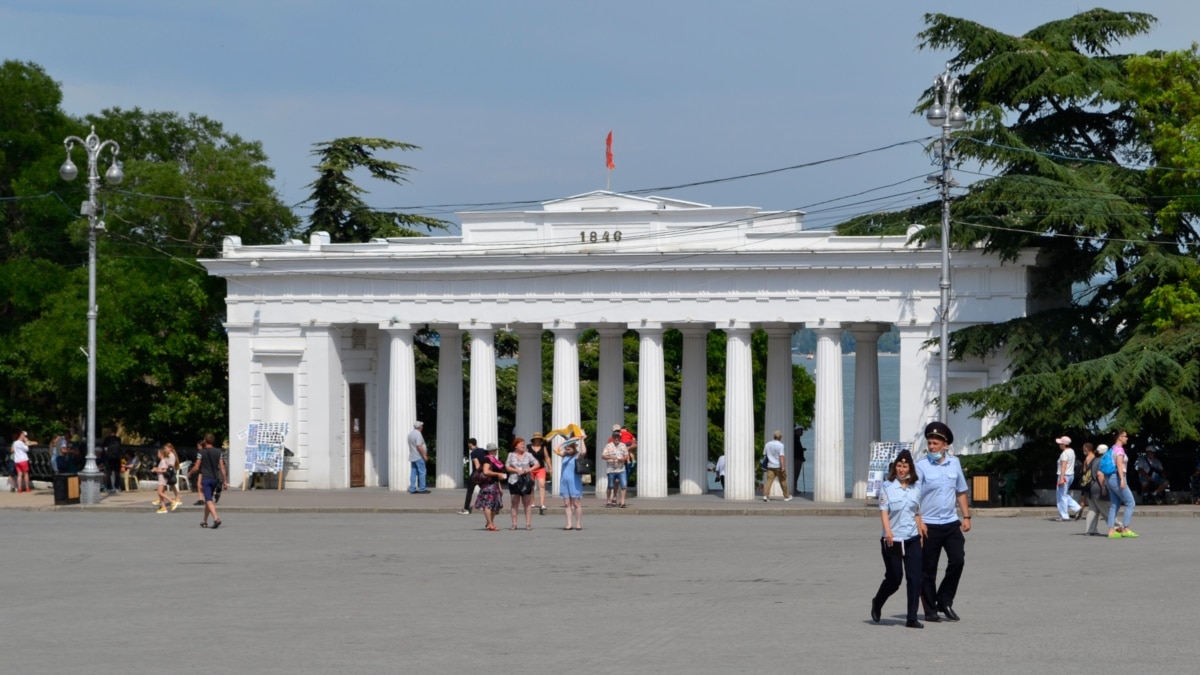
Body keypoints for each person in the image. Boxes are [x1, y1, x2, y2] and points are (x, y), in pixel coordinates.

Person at [915, 421, 970, 623]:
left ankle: (944, 600)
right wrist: (918, 522)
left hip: (950, 522)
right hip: (928, 524)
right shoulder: (920, 466)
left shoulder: (954, 463)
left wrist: (966, 516)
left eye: (935, 443)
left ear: (945, 445)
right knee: (928, 569)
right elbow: (913, 497)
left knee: (958, 560)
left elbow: (960, 490)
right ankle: (930, 610)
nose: (931, 447)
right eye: (929, 443)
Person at [872, 449, 924, 628]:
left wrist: (921, 526)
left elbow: (915, 511)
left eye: (905, 466)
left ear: (910, 467)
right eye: (899, 466)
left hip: (912, 537)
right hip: (892, 538)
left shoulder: (916, 487)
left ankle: (911, 617)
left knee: (915, 578)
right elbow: (884, 511)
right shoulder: (887, 486)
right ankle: (877, 602)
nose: (901, 469)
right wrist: (888, 532)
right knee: (895, 579)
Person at [1103, 430, 1137, 539]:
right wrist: (1122, 479)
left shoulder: (1112, 448)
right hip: (1117, 477)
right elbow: (1119, 464)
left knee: (1114, 504)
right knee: (1130, 502)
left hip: (1110, 478)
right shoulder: (1119, 449)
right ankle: (1125, 528)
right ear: (1119, 438)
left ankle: (1111, 530)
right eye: (1125, 436)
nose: (1127, 438)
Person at [555, 430, 588, 530]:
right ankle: (569, 524)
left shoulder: (578, 455)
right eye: (566, 449)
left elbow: (584, 451)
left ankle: (578, 523)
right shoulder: (565, 455)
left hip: (575, 481)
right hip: (564, 481)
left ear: (574, 448)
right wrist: (566, 442)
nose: (567, 450)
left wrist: (581, 439)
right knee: (566, 504)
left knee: (576, 503)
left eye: (569, 449)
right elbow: (555, 449)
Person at [505, 437, 539, 530]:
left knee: (527, 503)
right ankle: (514, 524)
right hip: (514, 480)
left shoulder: (528, 455)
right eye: (521, 444)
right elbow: (507, 467)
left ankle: (528, 524)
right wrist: (516, 470)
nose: (523, 446)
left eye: (523, 444)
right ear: (516, 446)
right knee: (514, 502)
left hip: (526, 481)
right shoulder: (511, 455)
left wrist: (529, 469)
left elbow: (537, 464)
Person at [197, 433, 228, 529]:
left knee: (208, 500)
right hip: (215, 479)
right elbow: (222, 467)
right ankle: (205, 521)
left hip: (206, 479)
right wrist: (225, 480)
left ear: (205, 441)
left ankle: (216, 518)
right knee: (208, 500)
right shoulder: (219, 452)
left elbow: (197, 466)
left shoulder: (201, 452)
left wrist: (190, 473)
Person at [474, 443, 506, 531]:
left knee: (495, 505)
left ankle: (489, 523)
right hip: (488, 485)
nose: (496, 451)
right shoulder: (487, 459)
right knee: (488, 505)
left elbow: (497, 476)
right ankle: (490, 524)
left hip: (495, 484)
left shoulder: (494, 460)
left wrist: (500, 487)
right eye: (495, 450)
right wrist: (497, 473)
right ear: (491, 451)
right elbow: (486, 471)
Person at [1082, 444, 1110, 536]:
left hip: (1090, 487)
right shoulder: (1101, 461)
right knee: (1106, 509)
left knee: (1093, 510)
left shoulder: (1094, 460)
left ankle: (1090, 530)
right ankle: (1119, 527)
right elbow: (1100, 475)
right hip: (1098, 487)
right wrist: (1103, 487)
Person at [1054, 436, 1081, 521]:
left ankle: (1064, 515)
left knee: (1061, 496)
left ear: (1064, 444)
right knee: (1064, 494)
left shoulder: (1064, 454)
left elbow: (1063, 466)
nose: (1059, 445)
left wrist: (1061, 478)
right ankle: (1076, 507)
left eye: (1060, 443)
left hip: (1064, 475)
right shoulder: (1071, 451)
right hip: (1070, 475)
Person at [602, 425, 629, 508]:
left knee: (623, 485)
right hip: (611, 469)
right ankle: (608, 501)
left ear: (620, 437)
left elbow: (626, 456)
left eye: (618, 437)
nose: (616, 438)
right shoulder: (608, 445)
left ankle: (622, 502)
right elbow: (603, 456)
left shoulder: (623, 445)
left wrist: (623, 459)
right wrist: (612, 457)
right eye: (615, 437)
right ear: (613, 437)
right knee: (610, 485)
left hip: (621, 469)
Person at [762, 429, 792, 502]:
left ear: (774, 436)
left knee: (769, 481)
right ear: (780, 437)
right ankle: (786, 496)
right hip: (778, 466)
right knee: (783, 480)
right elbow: (781, 456)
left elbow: (764, 454)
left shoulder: (768, 444)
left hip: (770, 466)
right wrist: (783, 467)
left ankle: (766, 495)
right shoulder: (781, 445)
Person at [528, 432, 551, 515]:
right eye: (536, 439)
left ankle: (542, 504)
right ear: (533, 440)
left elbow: (547, 457)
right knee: (531, 486)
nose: (537, 440)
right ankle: (532, 502)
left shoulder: (543, 447)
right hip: (530, 468)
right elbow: (525, 457)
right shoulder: (528, 447)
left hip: (541, 468)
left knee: (542, 485)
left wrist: (550, 467)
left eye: (539, 439)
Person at [459, 438, 483, 515]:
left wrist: (477, 474)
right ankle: (492, 506)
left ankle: (466, 509)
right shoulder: (483, 451)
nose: (468, 445)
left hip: (475, 475)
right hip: (483, 474)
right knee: (485, 489)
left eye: (468, 444)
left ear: (470, 444)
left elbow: (477, 465)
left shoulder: (473, 453)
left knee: (469, 491)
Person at [408, 421, 429, 494]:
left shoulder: (410, 434)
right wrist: (424, 455)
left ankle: (412, 488)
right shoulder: (418, 434)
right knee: (422, 472)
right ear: (419, 427)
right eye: (422, 426)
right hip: (419, 456)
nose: (422, 427)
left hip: (412, 456)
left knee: (413, 472)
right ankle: (422, 488)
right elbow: (419, 446)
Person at [151, 448, 173, 514]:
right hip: (161, 478)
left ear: (161, 454)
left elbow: (164, 470)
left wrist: (156, 470)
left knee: (160, 492)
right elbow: (162, 469)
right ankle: (163, 507)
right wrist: (157, 468)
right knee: (161, 494)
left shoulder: (163, 461)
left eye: (158, 453)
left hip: (162, 479)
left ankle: (172, 501)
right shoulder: (162, 461)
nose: (157, 454)